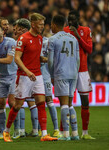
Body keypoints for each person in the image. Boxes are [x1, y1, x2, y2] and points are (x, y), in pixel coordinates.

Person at [3, 13, 57, 142]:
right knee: (17, 106)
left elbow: (34, 57)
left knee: (41, 103)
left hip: (37, 75)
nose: (42, 27)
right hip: (24, 76)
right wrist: (27, 71)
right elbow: (17, 58)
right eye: (40, 25)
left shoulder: (39, 38)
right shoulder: (23, 38)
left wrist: (46, 59)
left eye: (43, 25)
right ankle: (6, 132)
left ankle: (44, 134)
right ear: (33, 24)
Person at [48, 15, 80, 141]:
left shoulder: (53, 39)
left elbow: (50, 61)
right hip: (73, 73)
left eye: (51, 24)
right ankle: (75, 134)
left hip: (61, 73)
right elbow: (78, 60)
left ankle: (65, 134)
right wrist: (75, 73)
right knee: (70, 104)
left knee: (64, 104)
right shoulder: (74, 38)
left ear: (55, 24)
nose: (50, 27)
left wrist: (51, 75)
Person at [64, 10, 95, 140]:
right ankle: (64, 132)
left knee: (85, 101)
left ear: (78, 18)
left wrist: (77, 35)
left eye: (73, 19)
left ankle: (85, 132)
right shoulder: (64, 31)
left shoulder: (86, 30)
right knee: (66, 102)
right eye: (69, 19)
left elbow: (89, 49)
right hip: (68, 70)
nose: (70, 21)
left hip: (82, 70)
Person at [39, 33, 59, 137]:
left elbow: (53, 58)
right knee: (37, 101)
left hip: (45, 74)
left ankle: (56, 129)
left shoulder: (47, 41)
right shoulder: (29, 40)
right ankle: (38, 129)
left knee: (49, 100)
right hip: (33, 74)